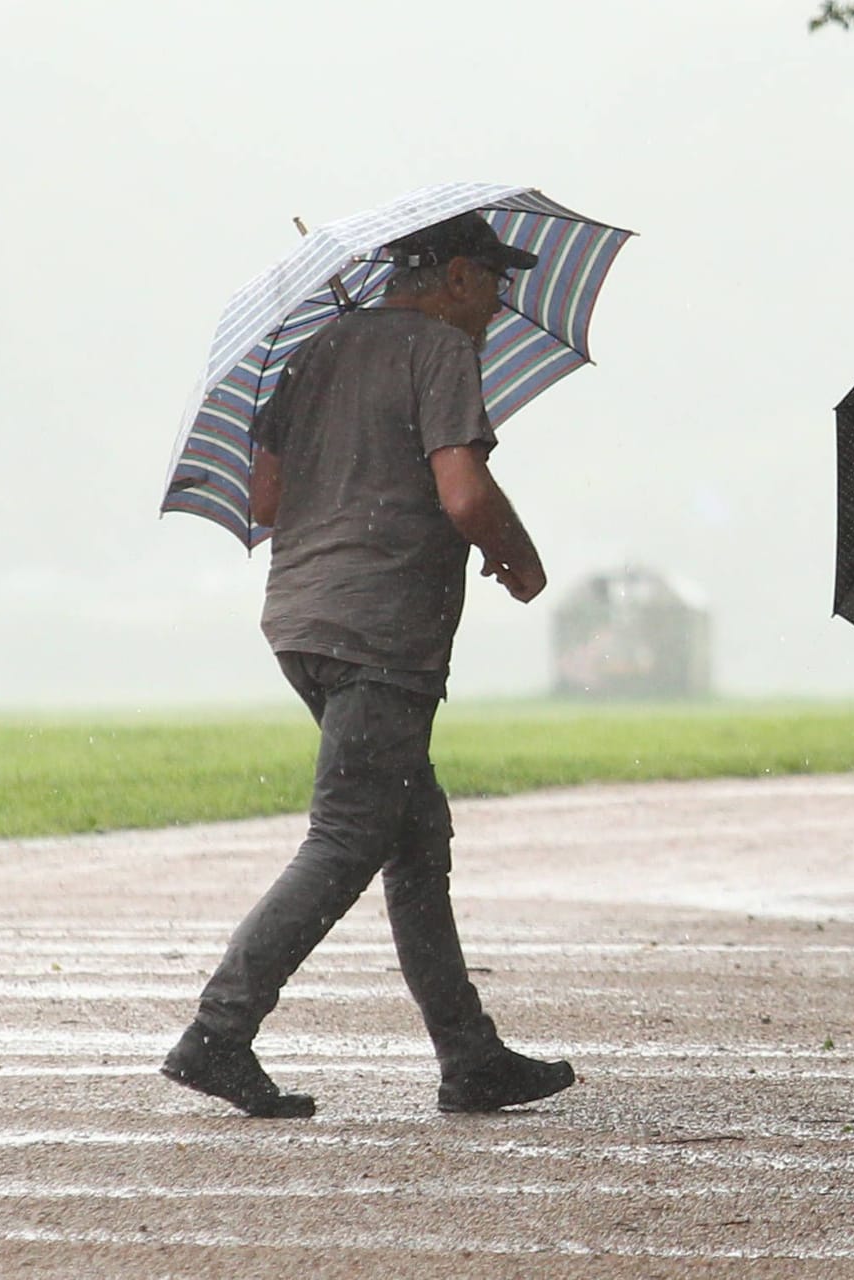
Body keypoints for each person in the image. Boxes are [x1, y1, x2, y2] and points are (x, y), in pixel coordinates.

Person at [161, 212, 575, 1118]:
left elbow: (267, 495)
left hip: (302, 620)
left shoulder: (312, 353)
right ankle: (218, 1032)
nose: (499, 305)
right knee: (348, 835)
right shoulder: (438, 350)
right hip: (381, 630)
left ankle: (471, 1058)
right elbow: (463, 490)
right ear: (458, 276)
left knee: (415, 837)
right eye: (495, 284)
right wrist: (519, 556)